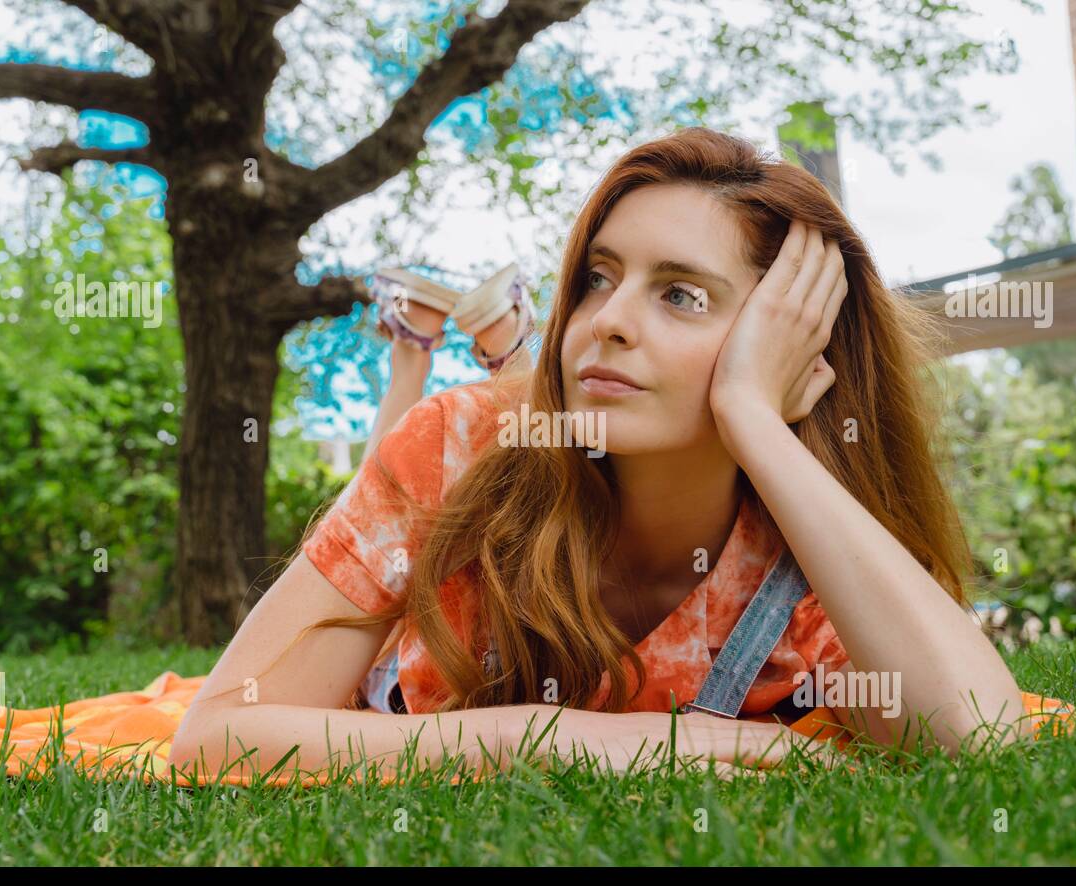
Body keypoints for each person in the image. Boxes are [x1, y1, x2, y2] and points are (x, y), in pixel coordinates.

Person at [168, 126, 1032, 784]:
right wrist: (549, 738)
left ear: (793, 348)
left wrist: (753, 419)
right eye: (598, 276)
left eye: (683, 295)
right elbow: (215, 740)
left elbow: (979, 740)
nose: (606, 320)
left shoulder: (807, 544)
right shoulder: (462, 445)